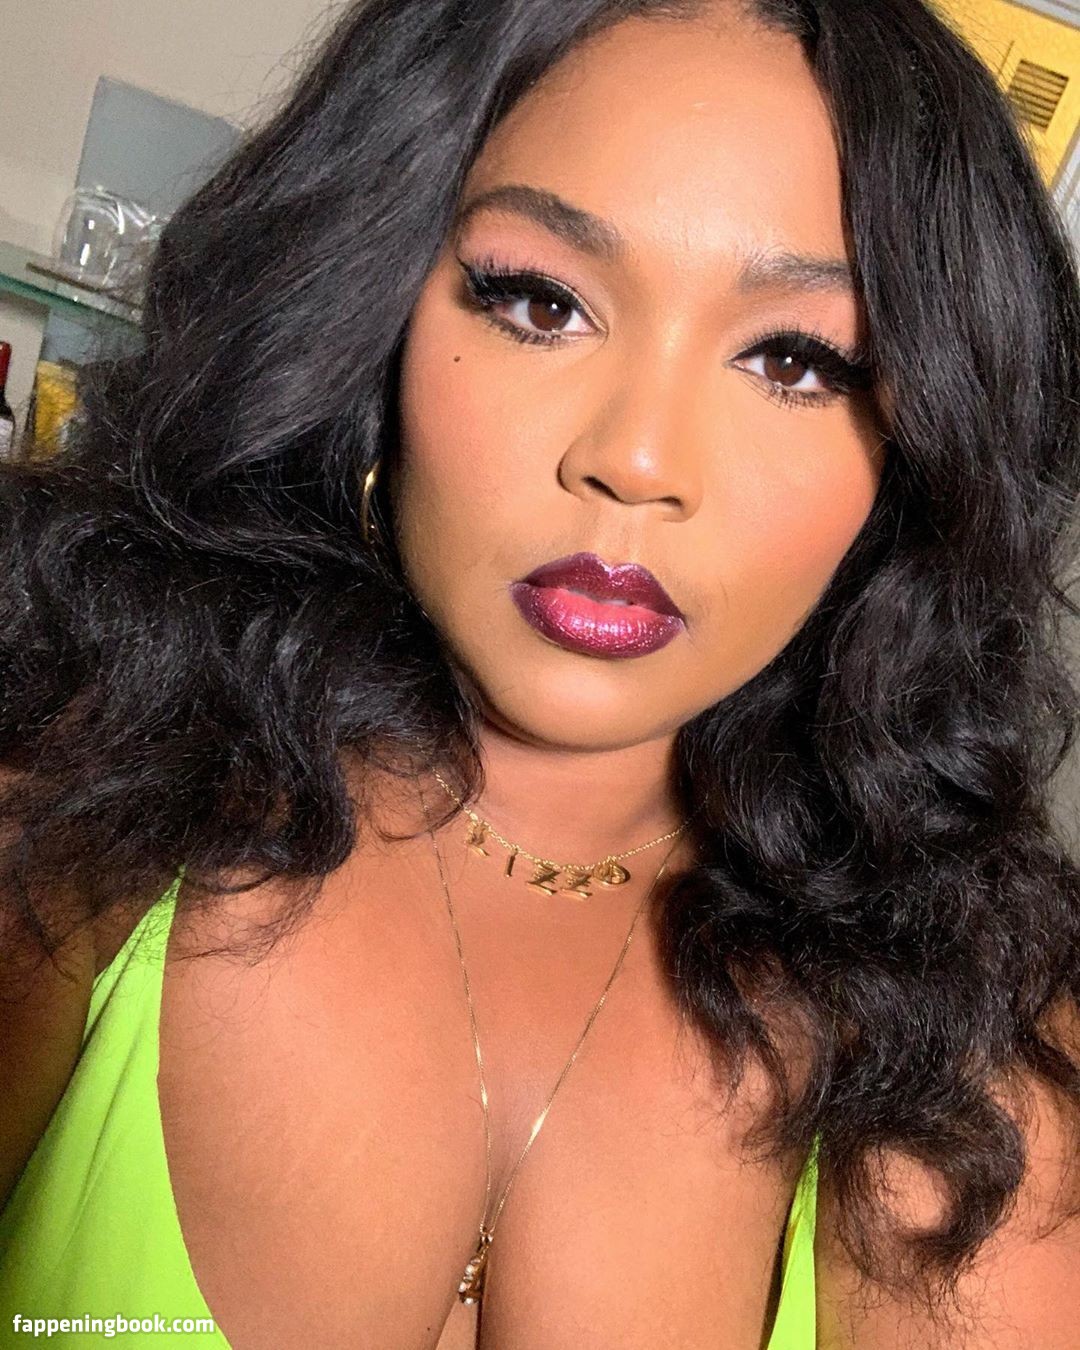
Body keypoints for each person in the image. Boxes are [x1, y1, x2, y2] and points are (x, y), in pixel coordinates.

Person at [2, 0, 1080, 1345]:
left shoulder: (966, 1053)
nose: (636, 457)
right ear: (374, 307)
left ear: (910, 460)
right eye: (541, 301)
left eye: (794, 359)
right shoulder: (76, 809)